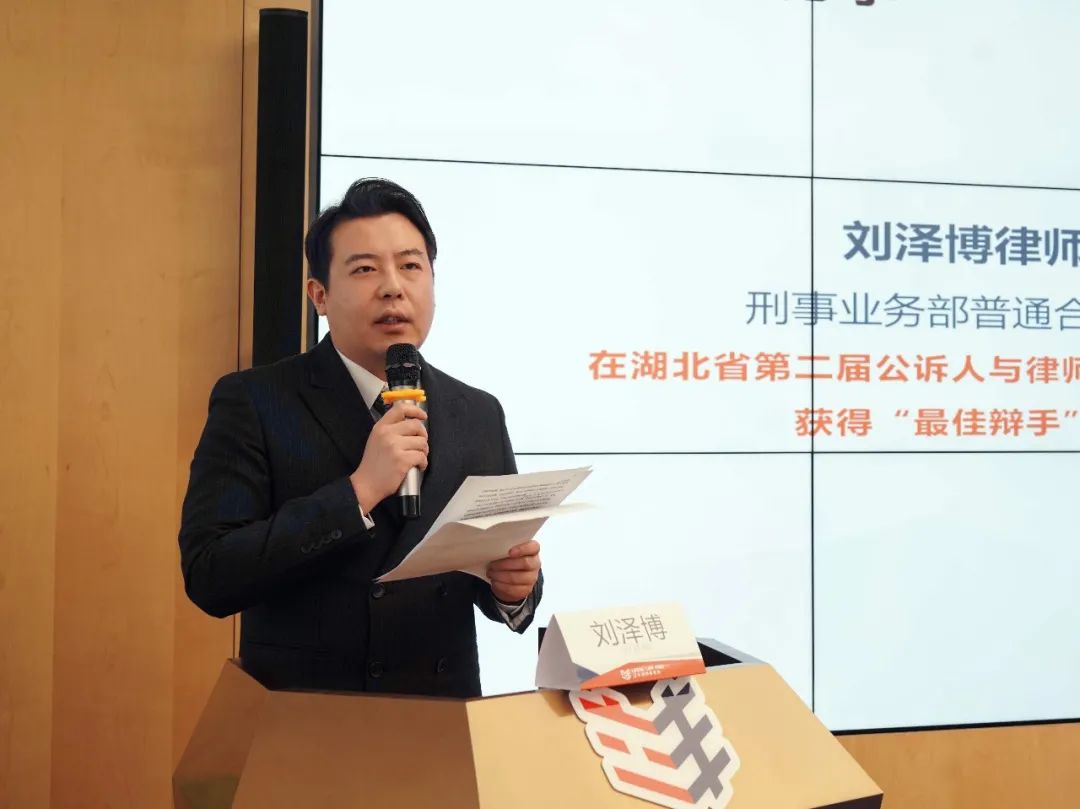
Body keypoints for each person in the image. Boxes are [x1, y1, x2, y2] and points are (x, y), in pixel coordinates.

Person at [179, 178, 542, 697]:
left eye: (411, 266)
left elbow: (494, 573)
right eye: (365, 269)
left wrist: (514, 588)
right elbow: (210, 574)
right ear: (319, 296)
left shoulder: (478, 412)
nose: (393, 287)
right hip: (307, 721)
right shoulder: (255, 401)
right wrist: (358, 492)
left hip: (441, 722)